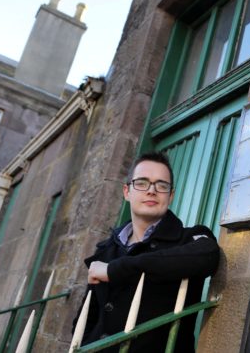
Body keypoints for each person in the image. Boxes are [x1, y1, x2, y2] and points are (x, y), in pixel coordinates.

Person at [74, 151, 220, 352]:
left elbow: (208, 256)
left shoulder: (190, 239)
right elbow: (87, 318)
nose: (151, 191)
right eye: (142, 183)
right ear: (127, 192)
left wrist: (116, 270)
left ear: (171, 196)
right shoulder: (106, 250)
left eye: (161, 185)